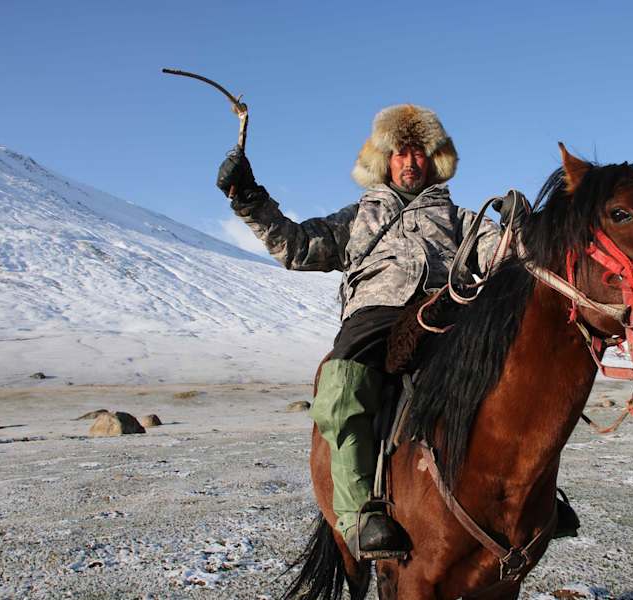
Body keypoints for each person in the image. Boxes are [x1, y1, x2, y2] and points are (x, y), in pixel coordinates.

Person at [216, 104, 576, 558]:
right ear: (384, 160)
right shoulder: (356, 218)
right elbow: (298, 247)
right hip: (376, 314)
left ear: (435, 160)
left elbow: (512, 255)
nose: (410, 162)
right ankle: (358, 515)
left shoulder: (461, 220)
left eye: (420, 152)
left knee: (523, 379)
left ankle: (536, 503)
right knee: (342, 388)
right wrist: (248, 198)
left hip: (453, 310)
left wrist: (522, 223)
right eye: (400, 152)